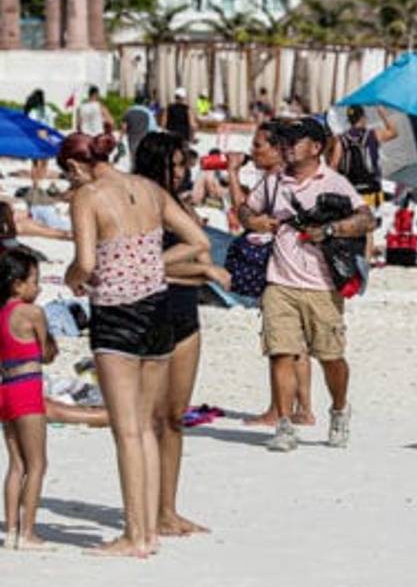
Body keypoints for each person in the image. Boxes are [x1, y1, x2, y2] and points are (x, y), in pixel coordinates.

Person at [61, 131, 209, 557]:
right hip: (158, 310)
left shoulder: (87, 196)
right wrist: (151, 263)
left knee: (126, 430)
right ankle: (148, 532)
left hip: (117, 314)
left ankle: (134, 535)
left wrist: (74, 278)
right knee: (146, 428)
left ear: (76, 167)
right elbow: (198, 242)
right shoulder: (150, 189)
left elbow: (86, 263)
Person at [240, 117, 374, 453]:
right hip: (279, 282)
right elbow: (245, 209)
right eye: (284, 141)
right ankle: (285, 425)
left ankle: (339, 409)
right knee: (280, 353)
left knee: (330, 357)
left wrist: (330, 231)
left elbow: (366, 219)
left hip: (323, 286)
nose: (286, 146)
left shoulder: (335, 182)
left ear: (315, 148)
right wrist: (255, 220)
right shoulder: (273, 182)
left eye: (294, 141)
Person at [133, 132, 230, 537]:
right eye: (173, 165)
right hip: (149, 315)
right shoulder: (137, 204)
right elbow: (135, 267)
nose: (181, 172)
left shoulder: (184, 208)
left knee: (174, 419)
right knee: (149, 421)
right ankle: (146, 509)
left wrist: (195, 270)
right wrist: (200, 271)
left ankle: (168, 510)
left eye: (182, 165)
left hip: (185, 314)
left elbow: (203, 259)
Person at [228, 122, 316, 428]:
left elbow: (243, 214)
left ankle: (277, 409)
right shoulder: (298, 178)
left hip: (277, 267)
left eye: (258, 145)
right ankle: (303, 408)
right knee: (299, 344)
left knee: (280, 344)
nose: (253, 151)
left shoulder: (274, 180)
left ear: (277, 149)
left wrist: (232, 175)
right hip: (303, 267)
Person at [1, 249, 56, 551]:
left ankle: (10, 530)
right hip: (27, 387)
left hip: (6, 387)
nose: (38, 288)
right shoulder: (31, 313)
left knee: (16, 464)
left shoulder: (1, 313)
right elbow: (46, 352)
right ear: (17, 284)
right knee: (37, 463)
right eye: (34, 281)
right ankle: (28, 532)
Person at [328, 105, 398, 211]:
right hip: (373, 193)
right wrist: (383, 113)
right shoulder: (373, 134)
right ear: (363, 118)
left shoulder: (342, 140)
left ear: (349, 121)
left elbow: (333, 166)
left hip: (352, 194)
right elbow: (393, 132)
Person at [23, 90, 52, 194]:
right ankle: (39, 184)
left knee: (35, 163)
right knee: (44, 162)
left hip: (34, 138)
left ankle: (35, 185)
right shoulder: (47, 109)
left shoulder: (31, 111)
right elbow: (51, 125)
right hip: (45, 137)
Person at [120, 94, 157, 168]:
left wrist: (120, 138)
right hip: (145, 138)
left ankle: (134, 171)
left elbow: (124, 127)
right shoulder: (148, 112)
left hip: (132, 138)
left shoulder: (128, 111)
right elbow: (152, 128)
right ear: (143, 102)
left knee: (133, 158)